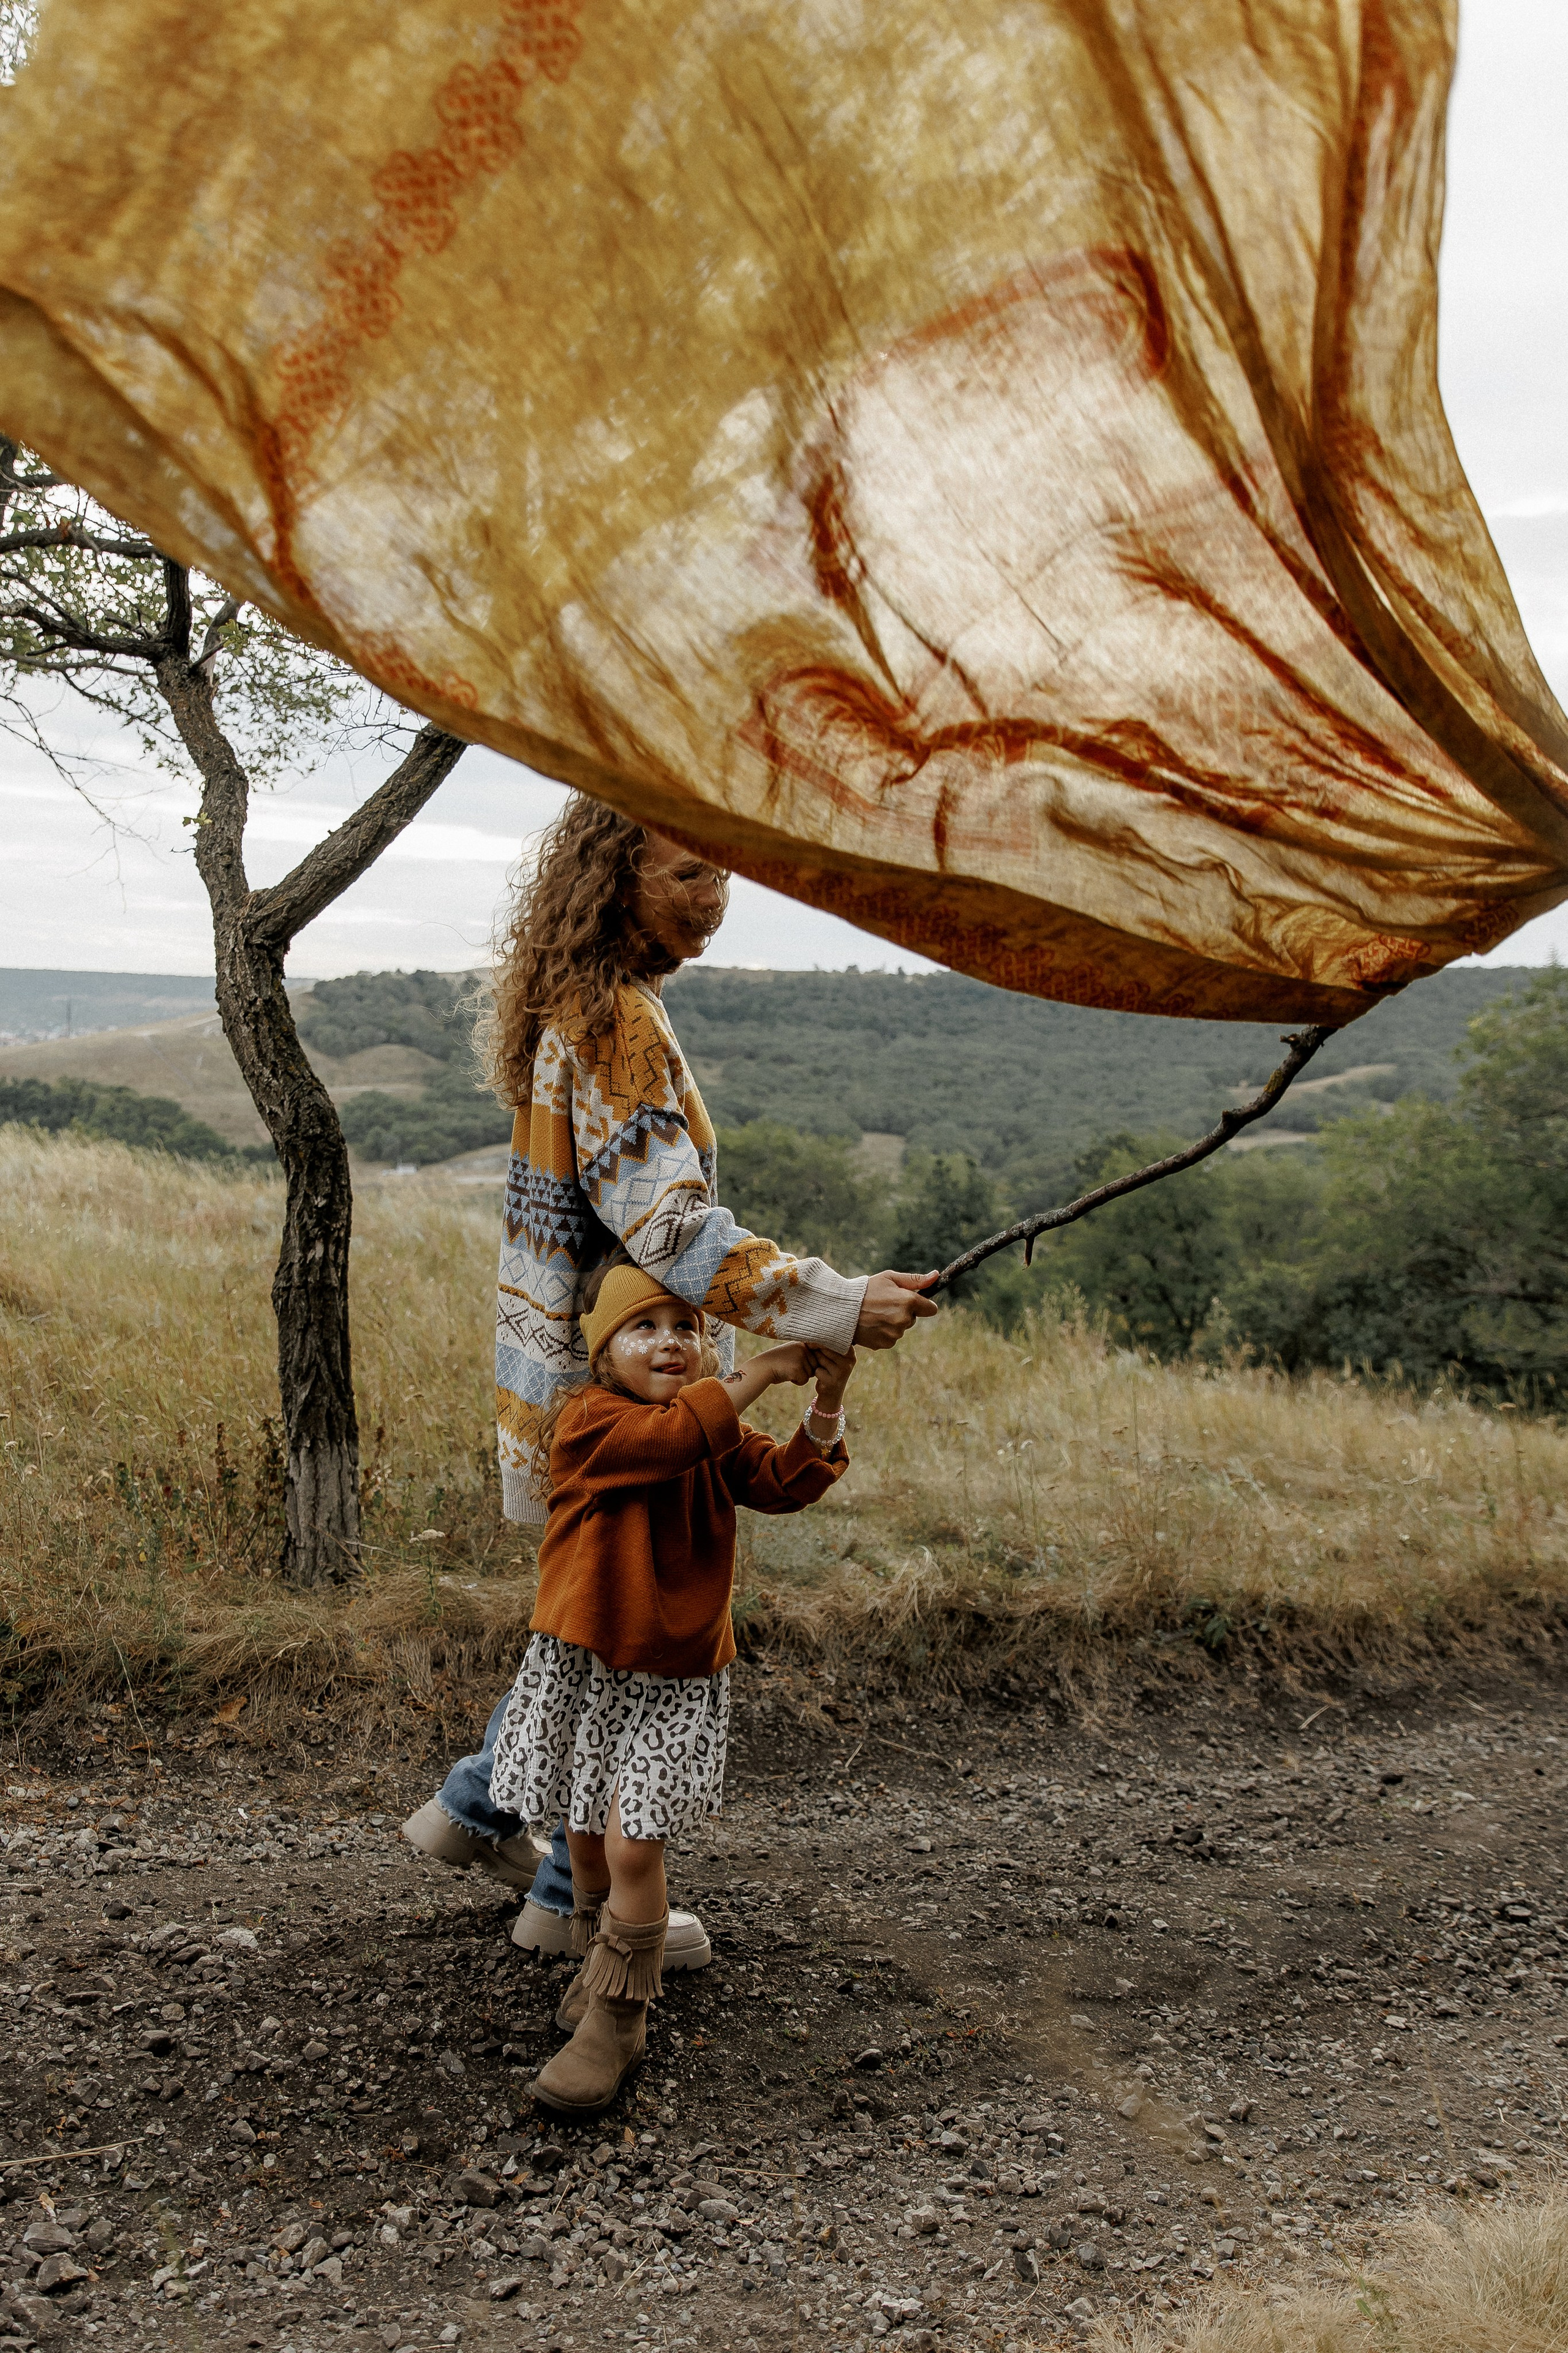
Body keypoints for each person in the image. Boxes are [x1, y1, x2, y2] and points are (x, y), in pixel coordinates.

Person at [402, 797, 937, 1964]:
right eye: (689, 874)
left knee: (598, 1616)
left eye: (725, 875)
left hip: (596, 1367)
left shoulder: (590, 1003)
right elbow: (677, 1232)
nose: (716, 899)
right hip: (632, 1374)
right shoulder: (613, 1024)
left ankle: (498, 1828)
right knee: (626, 1630)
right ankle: (566, 1892)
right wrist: (835, 1303)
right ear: (613, 876)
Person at [493, 1261, 856, 2112]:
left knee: (631, 1841)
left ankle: (620, 2017)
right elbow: (667, 1443)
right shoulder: (587, 1420)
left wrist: (824, 1402)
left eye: (685, 1326)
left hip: (676, 1673)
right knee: (582, 1832)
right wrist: (760, 1369)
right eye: (643, 1326)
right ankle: (597, 1959)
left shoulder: (708, 1426)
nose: (670, 1342)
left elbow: (781, 1481)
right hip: (588, 1661)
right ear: (602, 1349)